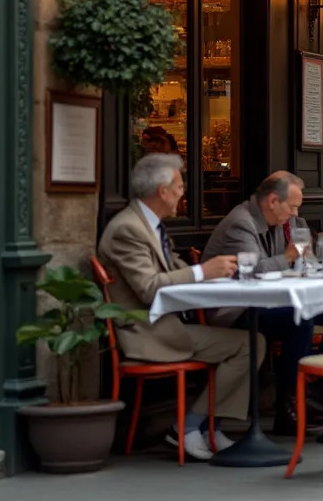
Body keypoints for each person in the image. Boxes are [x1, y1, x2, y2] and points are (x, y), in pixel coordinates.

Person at [98, 154, 262, 461]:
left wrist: (213, 275)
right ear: (162, 191)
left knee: (250, 341)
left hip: (168, 326)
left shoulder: (151, 226)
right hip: (146, 333)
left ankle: (206, 427)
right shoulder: (128, 230)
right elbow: (149, 288)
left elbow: (172, 270)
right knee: (249, 345)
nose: (183, 192)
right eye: (179, 185)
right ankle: (191, 426)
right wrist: (203, 271)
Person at [202, 171, 323, 434]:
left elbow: (291, 266)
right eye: (293, 206)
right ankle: (289, 405)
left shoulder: (278, 222)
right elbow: (255, 269)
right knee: (299, 319)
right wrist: (290, 255)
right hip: (234, 309)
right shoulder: (242, 222)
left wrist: (300, 259)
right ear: (273, 201)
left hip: (265, 301)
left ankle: (317, 391)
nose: (296, 214)